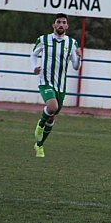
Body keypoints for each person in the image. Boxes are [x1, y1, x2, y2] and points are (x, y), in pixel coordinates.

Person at [31, 13, 82, 158]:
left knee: (52, 117)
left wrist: (79, 57)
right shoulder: (44, 39)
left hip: (61, 85)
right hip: (45, 81)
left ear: (67, 26)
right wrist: (34, 67)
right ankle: (40, 126)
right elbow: (34, 54)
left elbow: (76, 66)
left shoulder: (71, 43)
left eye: (63, 22)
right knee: (52, 107)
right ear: (54, 25)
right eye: (58, 22)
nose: (61, 24)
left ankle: (39, 146)